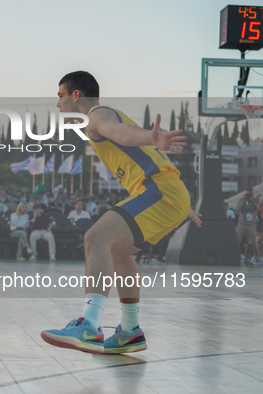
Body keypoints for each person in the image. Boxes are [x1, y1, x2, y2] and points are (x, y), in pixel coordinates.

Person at [41, 71, 201, 355]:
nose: (57, 103)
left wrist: (151, 138)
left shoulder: (97, 114)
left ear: (76, 95)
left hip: (159, 191)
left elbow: (120, 133)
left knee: (96, 238)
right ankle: (130, 331)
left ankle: (88, 325)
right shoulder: (100, 116)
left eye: (60, 95)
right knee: (117, 252)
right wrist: (181, 204)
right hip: (164, 194)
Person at [236, 187, 259, 263]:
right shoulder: (242, 200)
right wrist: (243, 199)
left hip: (251, 224)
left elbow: (258, 208)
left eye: (251, 193)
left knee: (251, 241)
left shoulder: (256, 200)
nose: (249, 195)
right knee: (237, 240)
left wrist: (252, 201)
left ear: (253, 193)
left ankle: (247, 257)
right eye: (248, 194)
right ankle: (237, 255)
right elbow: (238, 209)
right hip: (242, 223)